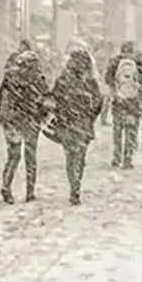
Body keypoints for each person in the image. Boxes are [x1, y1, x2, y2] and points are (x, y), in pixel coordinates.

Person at [0, 50, 49, 203]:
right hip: (30, 120)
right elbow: (45, 98)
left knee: (13, 156)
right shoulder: (37, 77)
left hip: (12, 120)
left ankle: (6, 186)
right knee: (30, 157)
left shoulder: (10, 77)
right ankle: (30, 192)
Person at [49, 50, 102, 204]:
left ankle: (74, 184)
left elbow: (54, 100)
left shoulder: (63, 80)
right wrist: (91, 116)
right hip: (83, 123)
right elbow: (98, 102)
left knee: (70, 157)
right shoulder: (90, 82)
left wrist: (60, 114)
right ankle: (76, 184)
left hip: (67, 123)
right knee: (80, 156)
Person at [105, 42, 142, 168]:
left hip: (119, 101)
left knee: (118, 130)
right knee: (131, 130)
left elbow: (107, 79)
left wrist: (116, 91)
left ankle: (116, 156)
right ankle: (128, 157)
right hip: (133, 101)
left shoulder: (115, 62)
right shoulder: (138, 62)